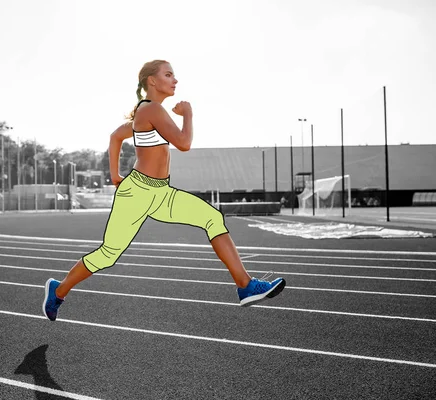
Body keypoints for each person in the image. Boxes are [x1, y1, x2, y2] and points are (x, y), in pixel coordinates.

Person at [43, 60, 285, 321]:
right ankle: (59, 290)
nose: (175, 80)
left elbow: (115, 136)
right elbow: (183, 143)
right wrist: (189, 114)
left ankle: (245, 285)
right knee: (108, 255)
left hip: (161, 193)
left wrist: (115, 174)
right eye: (168, 74)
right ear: (152, 81)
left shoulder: (149, 114)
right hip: (136, 194)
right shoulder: (150, 110)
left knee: (212, 218)